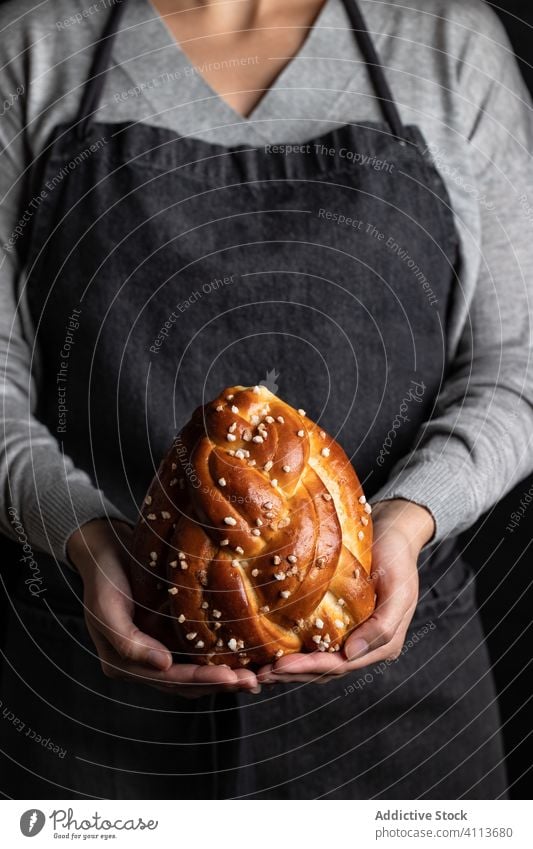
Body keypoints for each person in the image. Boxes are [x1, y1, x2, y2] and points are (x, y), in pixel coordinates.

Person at [0, 0, 531, 799]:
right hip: (93, 706)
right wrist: (86, 540)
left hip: (402, 720)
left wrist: (407, 520)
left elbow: (514, 366)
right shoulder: (34, 44)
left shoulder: (444, 42)